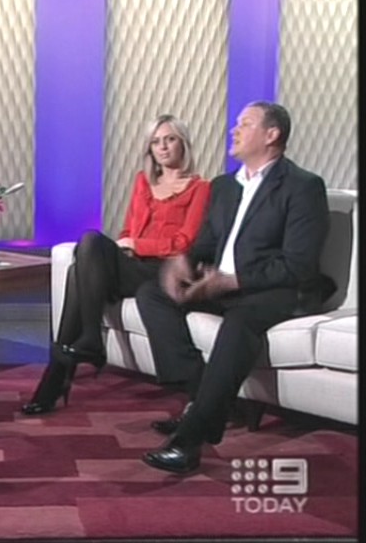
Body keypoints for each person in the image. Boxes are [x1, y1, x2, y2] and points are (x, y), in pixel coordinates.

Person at [136, 101, 330, 474]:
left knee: (239, 325)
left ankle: (189, 442)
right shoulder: (225, 186)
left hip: (271, 290)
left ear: (272, 134)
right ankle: (200, 395)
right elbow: (208, 243)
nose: (234, 130)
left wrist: (234, 280)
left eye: (245, 124)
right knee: (153, 293)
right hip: (221, 286)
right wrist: (184, 262)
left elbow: (299, 264)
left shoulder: (303, 186)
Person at [21, 114, 211, 415]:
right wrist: (126, 246)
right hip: (134, 265)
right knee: (84, 257)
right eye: (156, 142)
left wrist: (137, 245)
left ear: (183, 144)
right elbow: (128, 230)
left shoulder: (200, 188)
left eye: (170, 139)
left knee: (84, 258)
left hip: (164, 272)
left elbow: (185, 243)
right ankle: (87, 345)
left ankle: (58, 377)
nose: (163, 147)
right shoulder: (143, 182)